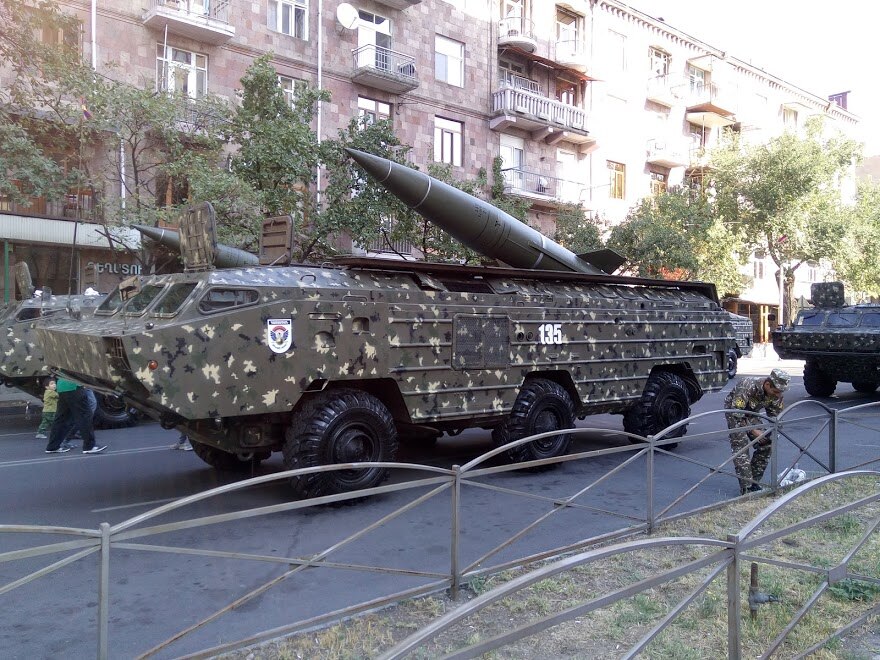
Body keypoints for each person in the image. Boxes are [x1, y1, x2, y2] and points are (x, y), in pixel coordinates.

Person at [725, 368, 791, 495]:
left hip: (751, 413)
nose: (778, 395)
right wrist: (754, 430)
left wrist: (771, 433)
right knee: (741, 447)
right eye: (776, 391)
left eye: (780, 392)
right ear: (767, 384)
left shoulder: (777, 394)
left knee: (767, 444)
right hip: (734, 412)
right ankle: (747, 488)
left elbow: (776, 417)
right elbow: (737, 412)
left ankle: (754, 482)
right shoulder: (747, 386)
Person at [44, 378, 106, 454]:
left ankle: (52, 446)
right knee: (85, 415)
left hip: (61, 386)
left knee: (61, 418)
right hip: (74, 385)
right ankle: (89, 446)